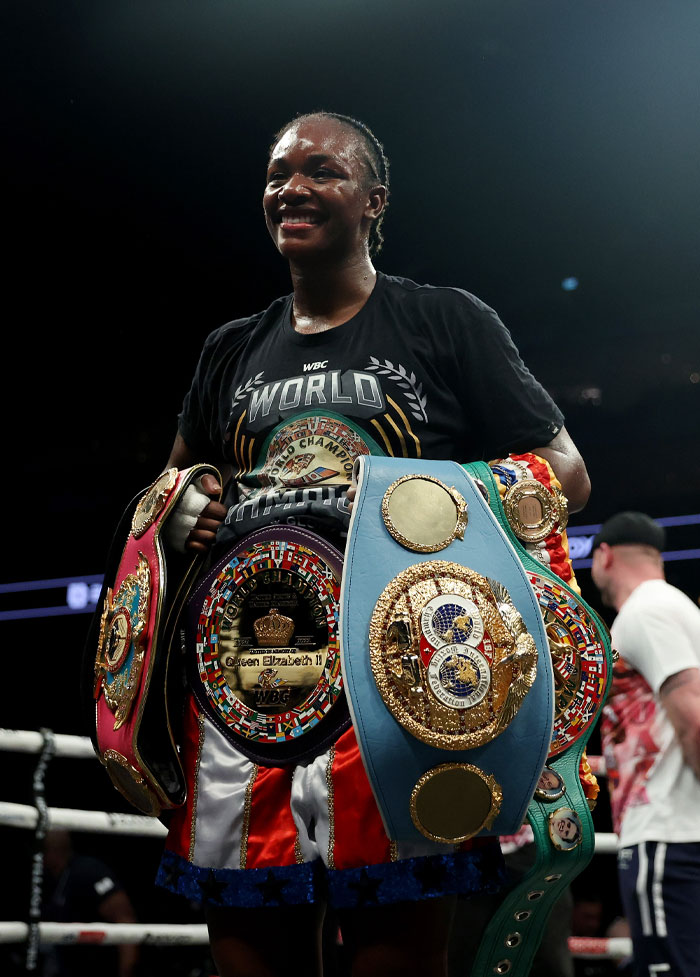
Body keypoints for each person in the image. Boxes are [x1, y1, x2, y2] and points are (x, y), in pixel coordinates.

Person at [151, 110, 591, 977]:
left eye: (323, 170)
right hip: (251, 680)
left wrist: (415, 501)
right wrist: (183, 503)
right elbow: (175, 483)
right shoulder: (229, 349)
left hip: (400, 681)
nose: (293, 188)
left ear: (373, 201)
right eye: (280, 173)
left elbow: (566, 471)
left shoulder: (444, 321)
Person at [591, 511, 700, 977]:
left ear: (603, 556)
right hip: (672, 831)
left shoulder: (647, 611)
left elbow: (693, 717)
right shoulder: (671, 607)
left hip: (668, 835)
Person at [41, 830, 140, 977]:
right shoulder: (54, 880)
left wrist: (126, 971)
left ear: (51, 851)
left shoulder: (87, 871)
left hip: (97, 968)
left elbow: (125, 919)